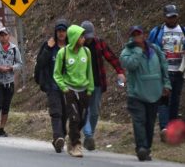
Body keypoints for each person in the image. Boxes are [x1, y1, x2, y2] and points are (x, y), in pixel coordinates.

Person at [120, 26, 171, 161]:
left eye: (139, 34)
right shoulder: (127, 51)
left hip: (154, 93)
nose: (137, 36)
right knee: (139, 121)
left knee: (150, 122)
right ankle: (141, 147)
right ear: (131, 37)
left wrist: (166, 84)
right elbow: (130, 65)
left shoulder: (154, 49)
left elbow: (164, 65)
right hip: (136, 94)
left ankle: (146, 148)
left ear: (144, 35)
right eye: (134, 34)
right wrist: (137, 51)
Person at [148, 4, 185, 139]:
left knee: (175, 99)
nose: (172, 19)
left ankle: (172, 128)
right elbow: (149, 47)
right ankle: (164, 128)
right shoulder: (157, 31)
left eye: (174, 16)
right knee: (164, 99)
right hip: (163, 71)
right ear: (164, 17)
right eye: (170, 17)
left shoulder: (184, 30)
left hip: (179, 70)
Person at [80, 21, 126, 150]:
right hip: (82, 84)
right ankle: (88, 136)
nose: (88, 39)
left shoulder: (99, 43)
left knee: (94, 112)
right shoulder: (77, 45)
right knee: (85, 111)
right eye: (86, 36)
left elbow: (111, 57)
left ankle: (90, 136)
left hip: (97, 83)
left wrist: (120, 72)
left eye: (90, 36)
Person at [53, 25, 94, 157]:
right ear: (74, 38)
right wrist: (64, 88)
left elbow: (89, 72)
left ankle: (71, 139)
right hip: (69, 89)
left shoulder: (86, 51)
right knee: (74, 118)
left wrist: (90, 88)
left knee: (82, 119)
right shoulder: (63, 53)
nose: (83, 38)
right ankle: (76, 145)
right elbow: (57, 74)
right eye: (81, 36)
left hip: (84, 90)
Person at [35, 19, 69, 152]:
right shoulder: (49, 45)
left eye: (63, 31)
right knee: (56, 113)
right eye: (59, 31)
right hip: (52, 85)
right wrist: (48, 48)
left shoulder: (71, 47)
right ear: (56, 32)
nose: (61, 33)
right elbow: (40, 63)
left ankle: (60, 137)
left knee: (65, 114)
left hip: (67, 86)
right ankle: (58, 137)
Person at [0, 27, 22, 137]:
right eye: (1, 35)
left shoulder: (14, 49)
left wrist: (12, 68)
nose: (3, 37)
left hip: (9, 81)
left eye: (5, 35)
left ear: (9, 36)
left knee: (6, 105)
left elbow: (20, 64)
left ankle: (2, 128)